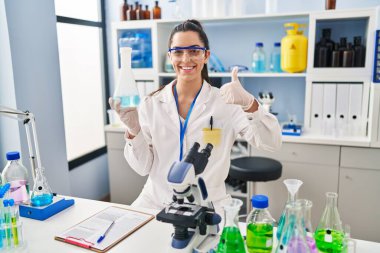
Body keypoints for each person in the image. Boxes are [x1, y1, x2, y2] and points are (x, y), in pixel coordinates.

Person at [110, 20, 282, 216]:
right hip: (156, 203)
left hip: (208, 205)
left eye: (194, 51)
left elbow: (272, 142)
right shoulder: (152, 103)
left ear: (206, 55)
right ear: (170, 56)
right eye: (178, 52)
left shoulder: (226, 102)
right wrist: (134, 132)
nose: (186, 59)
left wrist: (250, 104)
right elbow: (143, 168)